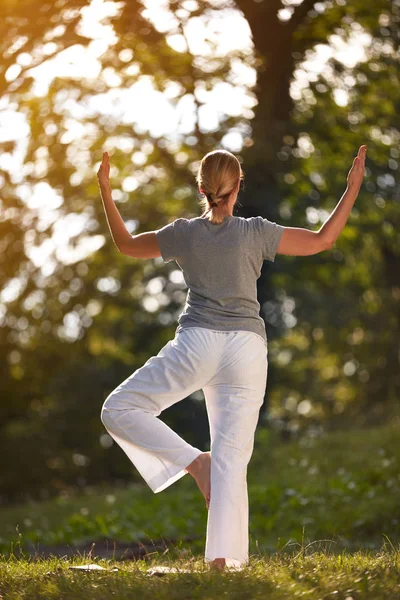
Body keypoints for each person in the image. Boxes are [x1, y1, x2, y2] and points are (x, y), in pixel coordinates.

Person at [96, 145, 366, 571]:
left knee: (120, 408)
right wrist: (350, 190)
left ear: (200, 188)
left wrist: (106, 192)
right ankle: (223, 564)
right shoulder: (256, 231)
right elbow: (323, 240)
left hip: (198, 343)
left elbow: (127, 245)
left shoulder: (183, 232)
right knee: (232, 459)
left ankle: (195, 467)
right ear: (238, 185)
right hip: (246, 349)